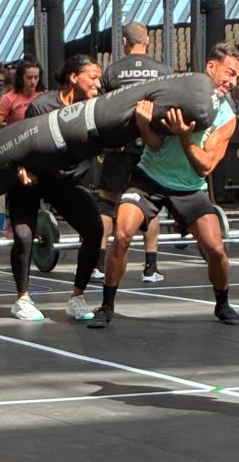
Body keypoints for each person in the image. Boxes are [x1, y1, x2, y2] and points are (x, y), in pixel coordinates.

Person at [89, 42, 239, 329]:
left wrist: (185, 138)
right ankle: (106, 307)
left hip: (190, 187)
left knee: (216, 250)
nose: (233, 82)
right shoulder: (178, 94)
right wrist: (143, 123)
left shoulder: (226, 118)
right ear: (211, 67)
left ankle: (222, 304)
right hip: (149, 179)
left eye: (237, 77)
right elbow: (154, 143)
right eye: (229, 73)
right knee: (121, 235)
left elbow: (205, 166)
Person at [6, 55, 104, 321]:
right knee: (24, 236)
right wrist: (22, 168)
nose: (98, 84)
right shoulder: (42, 106)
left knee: (94, 229)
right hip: (33, 177)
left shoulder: (94, 110)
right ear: (73, 77)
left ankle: (77, 297)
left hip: (63, 181)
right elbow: (25, 143)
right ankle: (22, 299)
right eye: (93, 77)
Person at [95, 22, 171, 284]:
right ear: (147, 41)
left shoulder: (112, 71)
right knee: (150, 203)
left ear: (124, 43)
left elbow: (101, 110)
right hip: (150, 145)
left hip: (119, 145)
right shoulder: (162, 71)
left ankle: (98, 265)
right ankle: (150, 268)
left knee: (107, 202)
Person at [0, 58, 43, 134]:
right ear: (21, 78)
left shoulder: (43, 96)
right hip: (17, 139)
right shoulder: (8, 98)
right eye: (29, 78)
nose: (33, 81)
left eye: (36, 77)